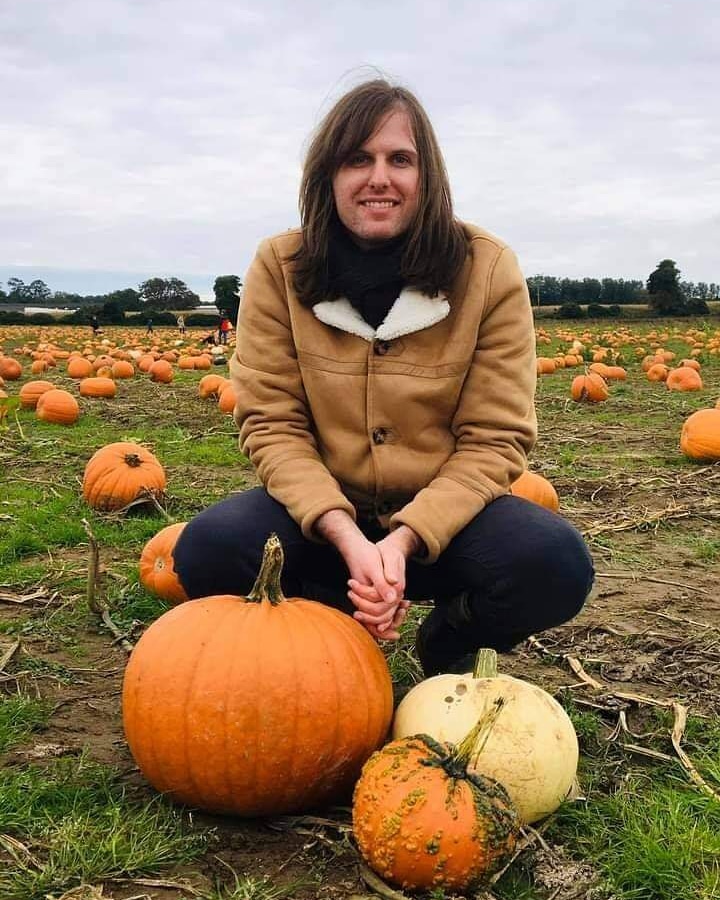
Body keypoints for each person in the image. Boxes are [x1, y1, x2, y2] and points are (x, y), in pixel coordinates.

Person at [173, 79, 594, 676]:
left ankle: (447, 643)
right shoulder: (279, 267)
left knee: (553, 563)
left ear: (428, 176)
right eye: (357, 159)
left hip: (447, 522)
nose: (379, 178)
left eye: (401, 159)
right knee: (209, 551)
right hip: (322, 522)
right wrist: (344, 532)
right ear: (328, 176)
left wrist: (402, 541)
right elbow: (272, 424)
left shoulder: (487, 268)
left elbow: (495, 439)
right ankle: (330, 632)